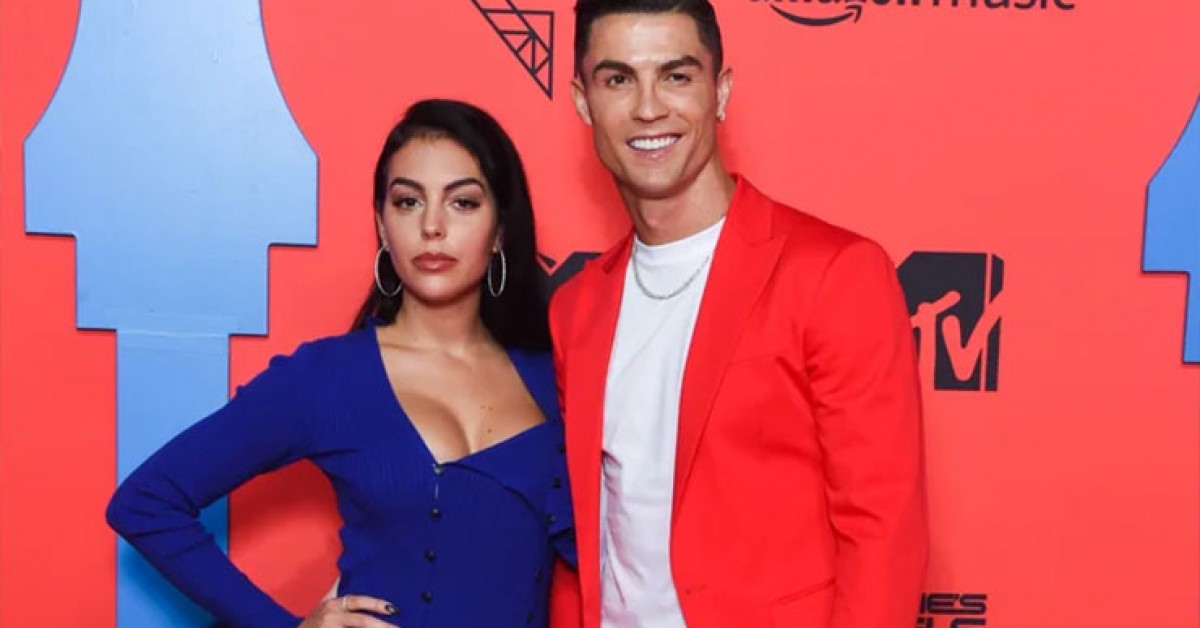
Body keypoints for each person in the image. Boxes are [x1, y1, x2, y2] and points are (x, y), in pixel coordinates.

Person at [107, 99, 575, 628]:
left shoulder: (555, 376)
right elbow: (145, 503)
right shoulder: (329, 378)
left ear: (500, 230)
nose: (432, 226)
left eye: (462, 203)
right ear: (382, 224)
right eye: (408, 202)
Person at [548, 1, 928, 626]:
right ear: (583, 101)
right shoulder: (576, 307)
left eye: (676, 75)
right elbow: (583, 536)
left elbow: (882, 530)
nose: (648, 107)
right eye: (618, 79)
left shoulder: (834, 273)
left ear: (720, 91)